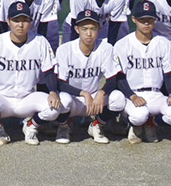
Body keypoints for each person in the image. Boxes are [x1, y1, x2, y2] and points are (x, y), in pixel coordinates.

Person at [0, 1, 64, 146]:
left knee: (54, 109)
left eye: (24, 20)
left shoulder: (40, 42)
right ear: (8, 21)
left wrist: (53, 92)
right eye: (16, 20)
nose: (20, 24)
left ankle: (31, 125)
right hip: (2, 98)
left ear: (30, 22)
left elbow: (49, 71)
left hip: (28, 98)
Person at [112, 0, 171, 144]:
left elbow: (169, 73)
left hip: (156, 94)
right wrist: (132, 96)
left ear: (155, 20)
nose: (146, 23)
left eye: (150, 20)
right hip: (132, 94)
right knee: (139, 115)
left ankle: (152, 123)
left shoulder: (164, 43)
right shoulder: (122, 44)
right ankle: (134, 124)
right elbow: (119, 76)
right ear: (134, 19)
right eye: (142, 20)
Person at [53, 10, 124, 144]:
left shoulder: (106, 48)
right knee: (62, 99)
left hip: (95, 100)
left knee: (118, 99)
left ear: (99, 29)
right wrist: (83, 93)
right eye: (84, 29)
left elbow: (113, 78)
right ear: (77, 29)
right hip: (74, 99)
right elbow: (60, 83)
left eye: (93, 28)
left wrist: (101, 93)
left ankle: (97, 124)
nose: (89, 33)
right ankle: (64, 126)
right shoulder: (65, 49)